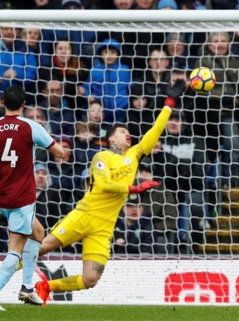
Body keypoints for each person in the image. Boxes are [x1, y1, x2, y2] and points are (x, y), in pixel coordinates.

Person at [30, 79, 187, 304]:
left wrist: (169, 103)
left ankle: (46, 286)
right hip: (85, 215)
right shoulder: (102, 156)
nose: (127, 134)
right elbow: (104, 185)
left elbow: (155, 130)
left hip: (104, 226)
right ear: (111, 138)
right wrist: (134, 188)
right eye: (122, 131)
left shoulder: (134, 155)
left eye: (128, 132)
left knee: (90, 279)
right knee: (42, 247)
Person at [0, 86, 64, 311]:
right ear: (23, 104)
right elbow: (59, 152)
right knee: (16, 247)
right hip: (23, 196)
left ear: (3, 104)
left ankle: (27, 287)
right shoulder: (30, 126)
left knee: (38, 232)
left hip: (2, 194)